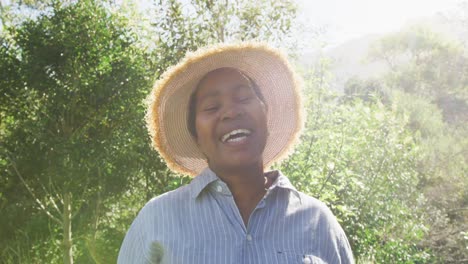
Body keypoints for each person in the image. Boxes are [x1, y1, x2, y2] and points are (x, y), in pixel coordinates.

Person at [118, 43, 354, 264]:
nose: (231, 112)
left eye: (244, 98)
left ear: (266, 116)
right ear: (196, 136)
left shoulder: (317, 221)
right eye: (211, 107)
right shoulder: (157, 219)